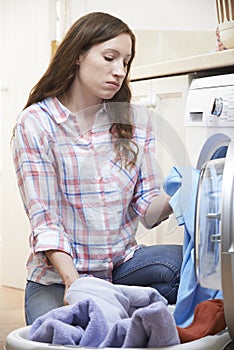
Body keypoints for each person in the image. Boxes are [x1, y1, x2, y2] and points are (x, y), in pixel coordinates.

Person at [12, 11, 183, 325]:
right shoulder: (37, 123)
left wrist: (185, 195)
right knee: (57, 334)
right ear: (78, 55)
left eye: (126, 62)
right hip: (60, 277)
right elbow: (45, 222)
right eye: (109, 57)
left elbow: (146, 208)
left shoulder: (134, 120)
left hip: (120, 266)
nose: (119, 71)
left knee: (183, 266)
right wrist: (74, 283)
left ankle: (117, 305)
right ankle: (119, 310)